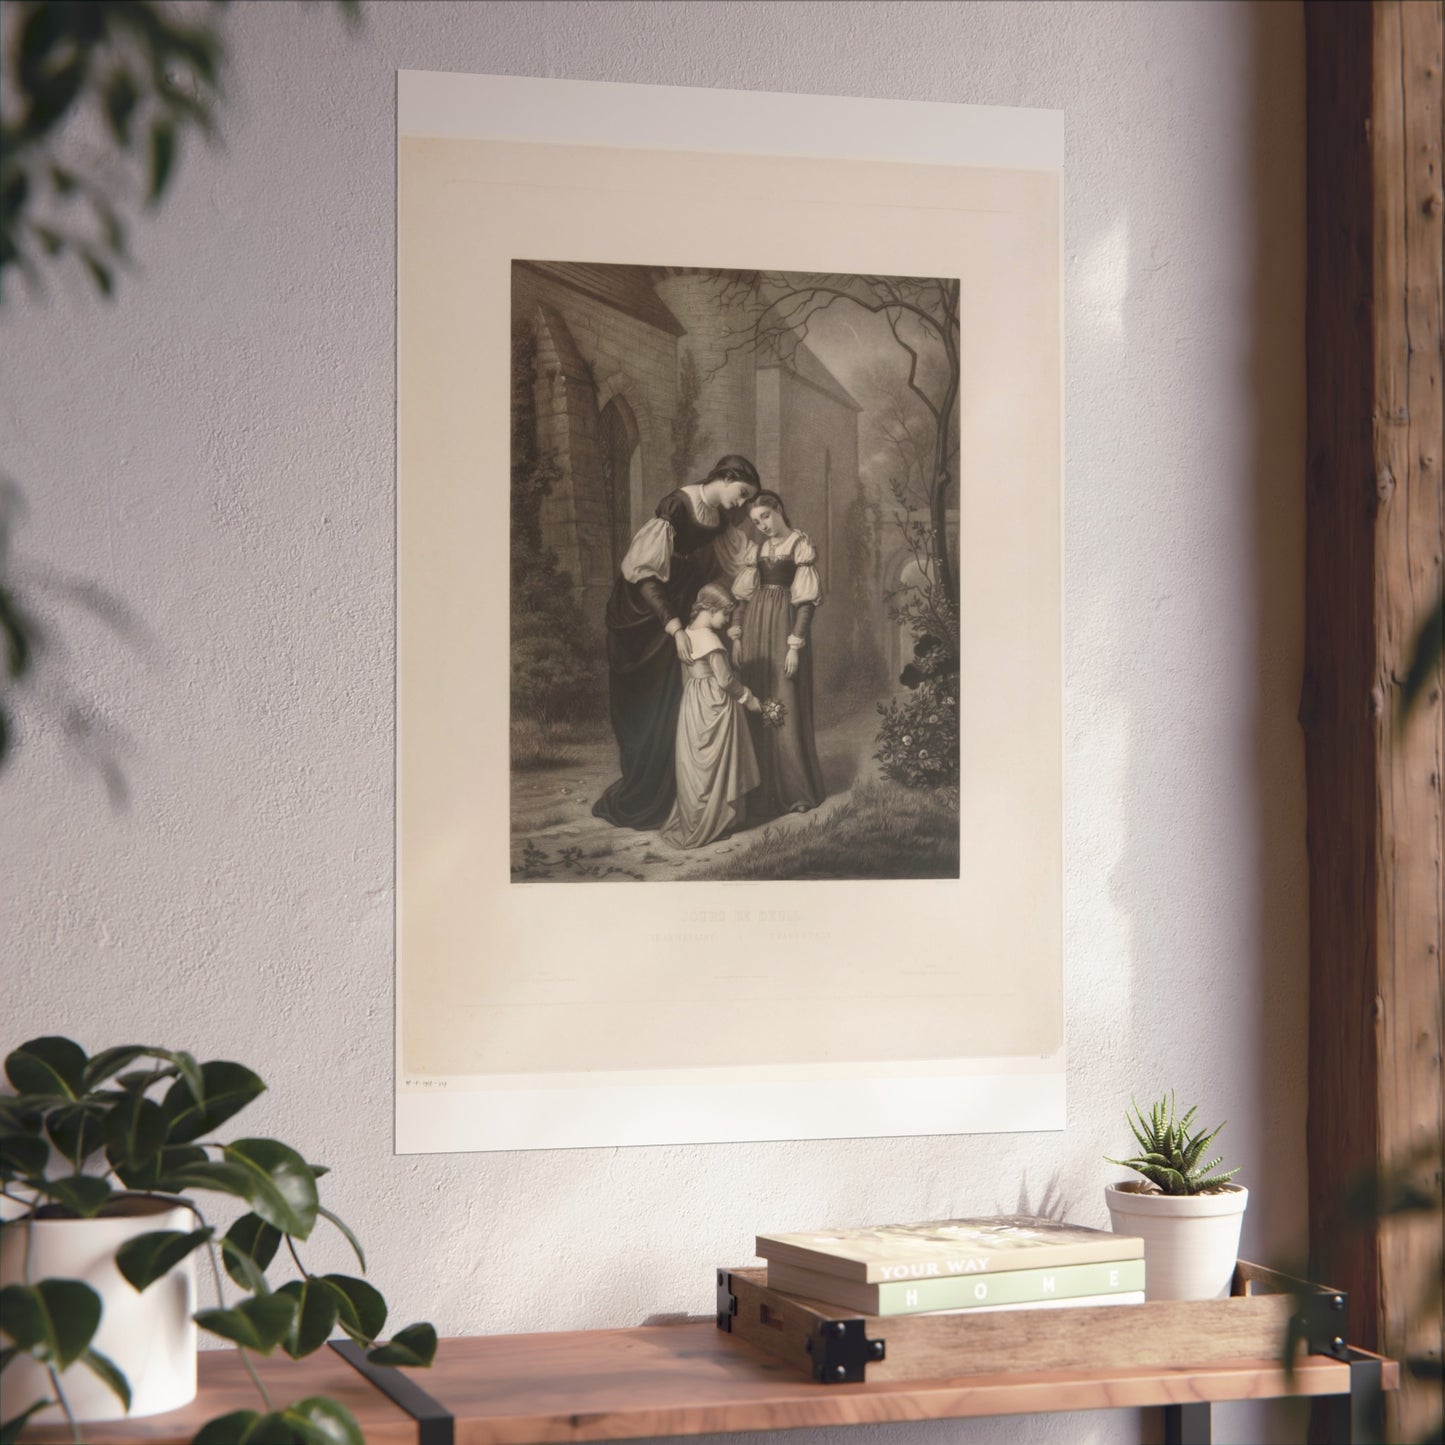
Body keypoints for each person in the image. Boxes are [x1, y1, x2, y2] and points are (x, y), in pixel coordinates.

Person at [592, 455, 760, 829]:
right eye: (742, 493)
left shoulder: (720, 522)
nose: (743, 504)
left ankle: (667, 795)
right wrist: (674, 627)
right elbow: (645, 577)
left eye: (749, 500)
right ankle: (640, 793)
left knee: (668, 705)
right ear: (726, 477)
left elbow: (736, 563)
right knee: (640, 708)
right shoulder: (677, 506)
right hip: (642, 617)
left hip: (676, 616)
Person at [731, 490, 826, 817]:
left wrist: (794, 646)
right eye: (756, 522)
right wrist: (737, 636)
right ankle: (762, 792)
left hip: (783, 630)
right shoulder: (757, 550)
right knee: (758, 699)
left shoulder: (800, 545)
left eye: (766, 517)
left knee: (784, 701)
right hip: (757, 628)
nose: (762, 525)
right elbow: (743, 599)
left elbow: (805, 605)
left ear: (779, 510)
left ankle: (794, 790)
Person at [660, 583, 764, 850]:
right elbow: (727, 680)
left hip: (692, 703)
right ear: (710, 608)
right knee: (715, 765)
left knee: (696, 764)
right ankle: (716, 820)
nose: (727, 620)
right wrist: (748, 698)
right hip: (714, 703)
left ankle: (696, 820)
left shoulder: (687, 633)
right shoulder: (710, 640)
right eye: (725, 614)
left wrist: (693, 697)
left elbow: (688, 674)